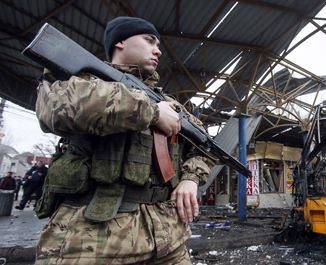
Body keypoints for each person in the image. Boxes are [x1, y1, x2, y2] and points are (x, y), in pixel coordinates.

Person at [33, 16, 211, 264]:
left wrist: (191, 179)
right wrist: (152, 112)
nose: (158, 50)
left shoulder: (171, 104)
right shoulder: (81, 78)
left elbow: (204, 147)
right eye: (149, 40)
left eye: (158, 44)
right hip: (91, 237)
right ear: (120, 43)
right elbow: (56, 109)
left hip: (168, 237)